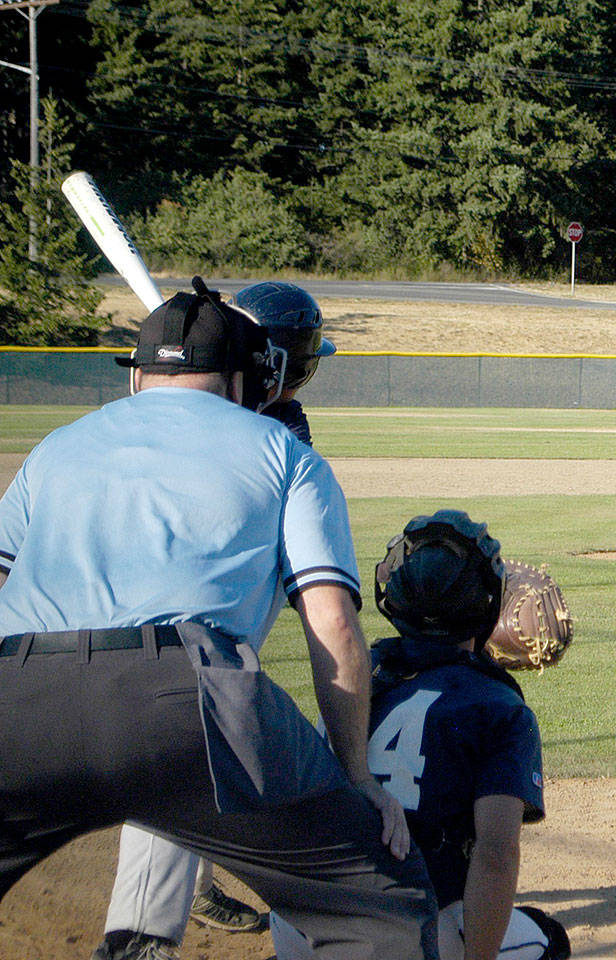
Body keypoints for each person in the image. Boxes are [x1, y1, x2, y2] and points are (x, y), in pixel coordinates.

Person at [0, 279, 439, 960]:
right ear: (243, 376)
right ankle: (140, 939)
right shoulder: (285, 454)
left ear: (137, 374)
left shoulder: (56, 445)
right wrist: (356, 779)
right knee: (384, 907)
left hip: (15, 694)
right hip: (184, 691)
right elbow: (333, 626)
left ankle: (143, 929)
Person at [96, 281, 339, 960]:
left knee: (199, 749)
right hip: (172, 625)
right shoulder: (241, 417)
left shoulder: (280, 426)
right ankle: (138, 933)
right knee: (182, 745)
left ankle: (185, 881)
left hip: (213, 621)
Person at [271, 510, 571, 960]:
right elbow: (497, 854)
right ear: (486, 605)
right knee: (548, 940)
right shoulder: (501, 709)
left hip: (304, 921)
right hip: (406, 933)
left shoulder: (356, 675)